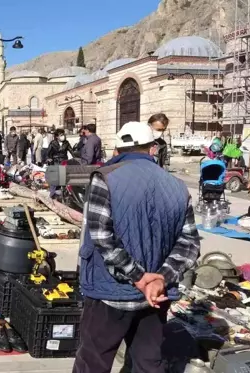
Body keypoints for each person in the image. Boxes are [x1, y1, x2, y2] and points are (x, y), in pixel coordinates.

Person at [73, 121, 199, 373]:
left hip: (110, 292)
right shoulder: (177, 186)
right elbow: (189, 243)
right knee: (148, 363)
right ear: (152, 149)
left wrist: (138, 277)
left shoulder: (106, 178)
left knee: (93, 361)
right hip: (154, 297)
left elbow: (101, 237)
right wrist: (160, 279)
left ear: (117, 149)